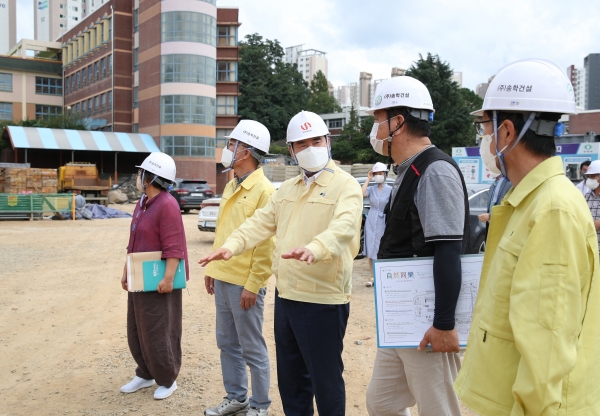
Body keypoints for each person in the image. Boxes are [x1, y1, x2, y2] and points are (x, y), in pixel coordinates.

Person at [454, 59, 600, 415]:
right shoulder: (531, 201)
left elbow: (547, 345)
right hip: (503, 398)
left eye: (484, 128)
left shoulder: (551, 211)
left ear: (506, 132)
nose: (484, 139)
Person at [199, 110, 363, 416]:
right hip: (287, 297)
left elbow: (344, 228)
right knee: (292, 382)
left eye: (317, 140)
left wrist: (316, 247)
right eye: (302, 144)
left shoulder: (347, 185)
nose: (311, 148)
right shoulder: (286, 190)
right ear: (291, 150)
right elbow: (259, 225)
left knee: (325, 381)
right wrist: (230, 247)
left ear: (328, 142)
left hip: (323, 298)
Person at [365, 76, 470, 416]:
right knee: (382, 403)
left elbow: (448, 249)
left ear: (398, 122)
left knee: (440, 409)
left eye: (378, 119)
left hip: (427, 324)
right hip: (401, 321)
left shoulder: (434, 171)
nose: (376, 128)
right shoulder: (408, 170)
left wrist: (443, 323)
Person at [204, 120, 275, 416]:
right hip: (223, 278)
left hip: (244, 283)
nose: (228, 149)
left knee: (251, 347)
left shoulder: (264, 191)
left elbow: (266, 243)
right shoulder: (232, 185)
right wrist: (212, 268)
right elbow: (224, 232)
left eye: (232, 144)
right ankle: (237, 397)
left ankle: (260, 405)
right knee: (227, 343)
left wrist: (254, 283)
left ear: (246, 151)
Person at [120, 152, 188, 400]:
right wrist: (126, 269)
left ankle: (167, 379)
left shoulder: (167, 204)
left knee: (158, 329)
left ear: (149, 177)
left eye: (142, 173)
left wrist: (168, 278)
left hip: (158, 279)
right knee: (138, 327)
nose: (139, 177)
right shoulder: (142, 202)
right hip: (140, 276)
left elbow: (174, 245)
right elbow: (134, 240)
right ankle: (145, 373)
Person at [361, 162, 392, 271]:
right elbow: (361, 194)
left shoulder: (390, 190)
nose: (378, 175)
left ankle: (382, 274)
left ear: (385, 174)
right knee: (371, 246)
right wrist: (368, 179)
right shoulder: (371, 189)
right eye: (376, 173)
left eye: (381, 173)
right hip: (371, 218)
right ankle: (372, 276)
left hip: (384, 219)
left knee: (381, 245)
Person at [584, 160, 600, 252]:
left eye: (593, 176)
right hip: (590, 248)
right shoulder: (586, 197)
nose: (589, 179)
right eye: (588, 176)